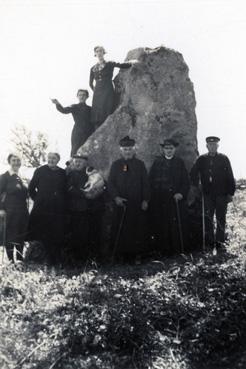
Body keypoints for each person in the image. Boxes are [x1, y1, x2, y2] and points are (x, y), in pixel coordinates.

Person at [108, 136, 150, 262]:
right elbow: (111, 183)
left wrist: (145, 200)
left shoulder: (140, 164)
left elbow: (146, 183)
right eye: (125, 149)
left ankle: (137, 256)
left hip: (136, 203)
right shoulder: (116, 165)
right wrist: (116, 197)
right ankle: (121, 256)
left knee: (137, 229)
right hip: (121, 203)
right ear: (121, 150)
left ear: (134, 149)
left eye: (130, 149)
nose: (128, 151)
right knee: (120, 229)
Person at [190, 136, 235, 249]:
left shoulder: (224, 158)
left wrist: (231, 193)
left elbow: (230, 176)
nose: (212, 147)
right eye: (210, 145)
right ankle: (210, 243)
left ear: (217, 146)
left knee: (221, 218)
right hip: (207, 194)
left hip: (222, 194)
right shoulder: (201, 159)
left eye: (214, 145)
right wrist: (197, 186)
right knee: (208, 218)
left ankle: (220, 242)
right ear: (207, 146)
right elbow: (193, 173)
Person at [149, 139, 190, 256]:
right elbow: (150, 180)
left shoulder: (179, 162)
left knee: (175, 225)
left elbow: (185, 182)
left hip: (175, 199)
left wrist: (181, 194)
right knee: (162, 224)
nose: (169, 151)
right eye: (167, 148)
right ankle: (163, 251)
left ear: (175, 149)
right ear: (163, 149)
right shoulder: (157, 162)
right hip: (160, 200)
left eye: (171, 148)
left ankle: (177, 250)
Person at [28, 152, 67, 265]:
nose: (51, 160)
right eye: (49, 158)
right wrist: (39, 200)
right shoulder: (40, 171)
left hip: (57, 209)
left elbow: (64, 190)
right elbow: (31, 188)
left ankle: (56, 260)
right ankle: (45, 259)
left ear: (58, 160)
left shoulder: (62, 173)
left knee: (56, 233)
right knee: (43, 233)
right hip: (42, 209)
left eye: (54, 158)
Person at [66, 154, 105, 263]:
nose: (77, 164)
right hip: (77, 209)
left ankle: (94, 259)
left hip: (92, 210)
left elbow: (99, 186)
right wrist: (84, 194)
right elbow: (69, 189)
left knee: (93, 234)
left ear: (85, 163)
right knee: (78, 235)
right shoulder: (72, 174)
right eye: (76, 161)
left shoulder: (91, 173)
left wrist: (95, 192)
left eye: (80, 162)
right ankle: (77, 260)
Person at [89, 46, 136, 130]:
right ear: (95, 54)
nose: (99, 53)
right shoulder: (93, 68)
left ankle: (108, 126)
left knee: (108, 106)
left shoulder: (110, 64)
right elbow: (90, 83)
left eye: (101, 51)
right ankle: (97, 128)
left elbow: (121, 65)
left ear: (104, 53)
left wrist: (132, 62)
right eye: (97, 51)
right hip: (97, 92)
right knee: (97, 110)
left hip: (107, 88)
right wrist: (95, 91)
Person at [0, 154, 29, 263]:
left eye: (18, 160)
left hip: (22, 210)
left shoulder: (22, 177)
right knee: (10, 235)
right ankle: (11, 261)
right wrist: (1, 209)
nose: (16, 162)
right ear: (9, 162)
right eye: (13, 160)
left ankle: (20, 259)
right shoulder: (4, 176)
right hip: (10, 210)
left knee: (21, 234)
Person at [51, 89, 92, 157]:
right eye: (80, 95)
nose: (82, 97)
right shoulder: (74, 106)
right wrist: (57, 103)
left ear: (87, 97)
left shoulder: (90, 109)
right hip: (78, 131)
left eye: (84, 95)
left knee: (87, 151)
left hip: (89, 131)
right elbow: (63, 110)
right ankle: (71, 166)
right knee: (75, 150)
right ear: (77, 96)